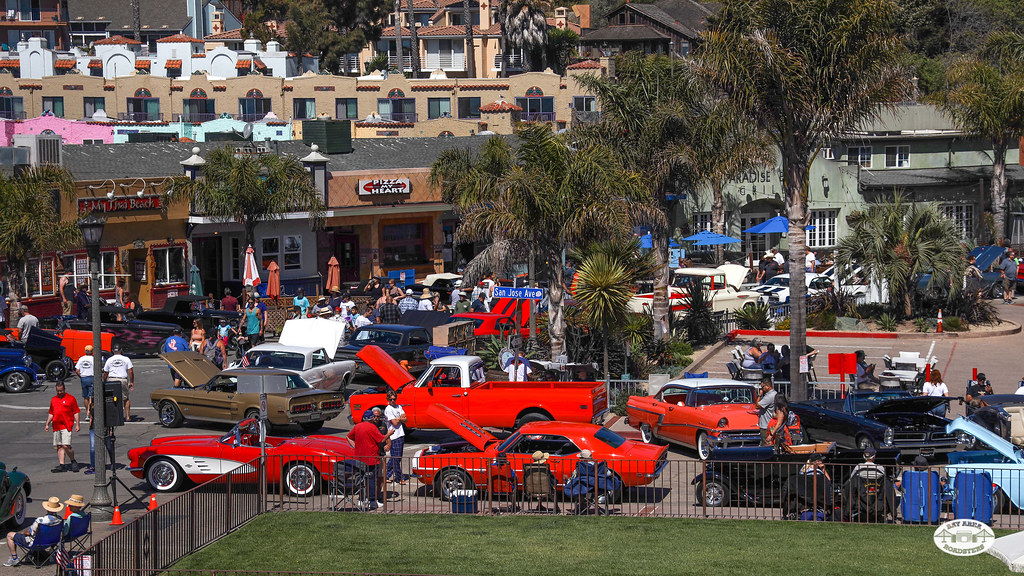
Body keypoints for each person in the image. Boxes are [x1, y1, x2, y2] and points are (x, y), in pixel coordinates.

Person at [346, 408, 394, 510]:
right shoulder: (372, 427)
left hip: (359, 459)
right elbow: (382, 439)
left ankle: (362, 499)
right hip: (371, 458)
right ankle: (372, 501)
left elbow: (349, 437)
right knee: (372, 479)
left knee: (361, 479)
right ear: (371, 418)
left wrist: (355, 446)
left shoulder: (357, 426)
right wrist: (389, 434)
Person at [3, 497, 63, 566]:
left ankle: (14, 559)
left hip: (35, 544)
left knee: (10, 535)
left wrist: (23, 533)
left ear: (47, 509)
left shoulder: (40, 520)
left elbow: (29, 533)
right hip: (50, 542)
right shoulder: (60, 520)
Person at [46, 381, 81, 473]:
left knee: (66, 445)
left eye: (61, 391)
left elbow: (76, 412)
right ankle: (62, 465)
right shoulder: (53, 399)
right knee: (59, 446)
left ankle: (73, 460)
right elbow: (51, 413)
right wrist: (47, 424)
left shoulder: (71, 398)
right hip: (56, 426)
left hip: (66, 425)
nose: (59, 393)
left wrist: (77, 424)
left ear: (64, 389)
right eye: (58, 391)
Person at [102, 343, 134, 422]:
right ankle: (127, 416)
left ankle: (115, 416)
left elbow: (106, 372)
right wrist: (131, 381)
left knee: (112, 398)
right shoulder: (126, 359)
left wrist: (104, 381)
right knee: (125, 398)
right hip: (122, 379)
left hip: (112, 379)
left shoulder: (109, 359)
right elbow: (130, 371)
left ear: (113, 351)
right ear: (121, 350)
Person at [384, 390, 407, 485]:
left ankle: (385, 475)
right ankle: (399, 477)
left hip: (400, 434)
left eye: (394, 399)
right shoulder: (388, 409)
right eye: (391, 399)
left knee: (397, 457)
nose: (393, 401)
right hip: (393, 435)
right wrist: (400, 419)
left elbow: (405, 419)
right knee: (396, 457)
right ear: (388, 399)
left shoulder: (399, 407)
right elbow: (395, 423)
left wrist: (399, 419)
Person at [74, 344, 95, 414]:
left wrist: (81, 376)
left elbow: (77, 370)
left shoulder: (81, 359)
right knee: (91, 396)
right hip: (91, 377)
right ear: (92, 351)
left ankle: (87, 411)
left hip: (83, 378)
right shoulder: (93, 359)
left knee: (85, 396)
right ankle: (89, 412)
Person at [757, 376, 776, 445]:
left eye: (763, 387)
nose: (762, 389)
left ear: (767, 386)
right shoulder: (774, 394)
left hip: (766, 425)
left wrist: (759, 396)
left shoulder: (769, 396)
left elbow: (757, 405)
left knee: (766, 444)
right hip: (769, 424)